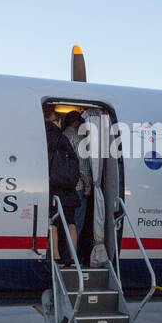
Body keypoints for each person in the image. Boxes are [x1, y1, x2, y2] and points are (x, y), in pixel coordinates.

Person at [45, 109, 81, 264]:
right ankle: (73, 258)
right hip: (68, 189)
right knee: (71, 223)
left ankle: (56, 257)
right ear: (58, 122)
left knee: (52, 223)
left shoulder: (43, 138)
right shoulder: (64, 139)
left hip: (52, 188)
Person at [63, 111, 95, 266]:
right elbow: (82, 166)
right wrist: (88, 185)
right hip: (77, 188)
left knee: (61, 223)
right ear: (76, 123)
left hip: (62, 188)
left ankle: (61, 254)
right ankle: (73, 257)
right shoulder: (78, 138)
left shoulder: (61, 136)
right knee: (76, 224)